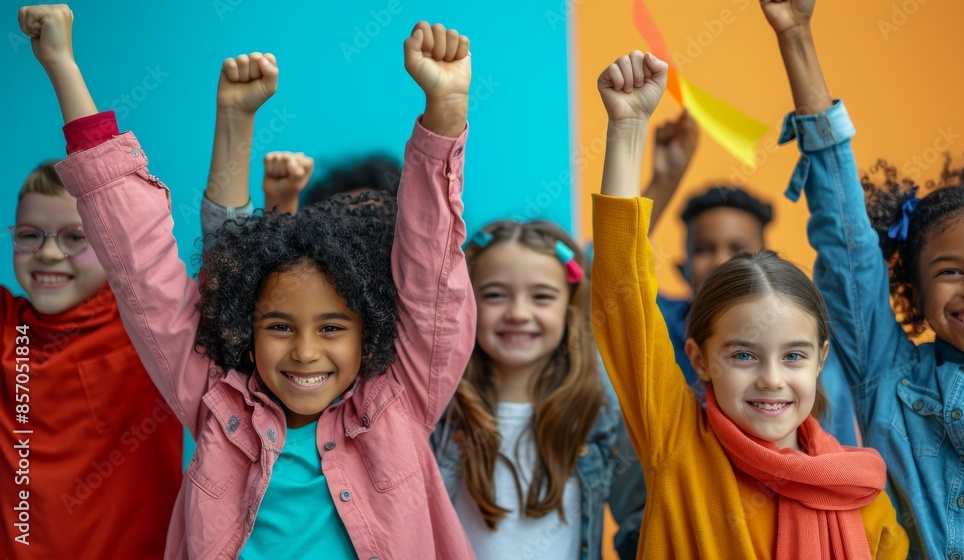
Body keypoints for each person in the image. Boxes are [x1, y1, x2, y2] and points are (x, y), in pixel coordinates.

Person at [44, 12, 479, 557]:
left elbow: (430, 272)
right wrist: (63, 67)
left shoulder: (400, 399)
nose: (304, 351)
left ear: (368, 329)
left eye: (331, 327)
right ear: (242, 326)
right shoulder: (214, 399)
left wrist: (445, 113)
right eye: (278, 325)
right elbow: (139, 264)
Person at [589, 42, 908, 557]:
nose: (771, 378)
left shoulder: (863, 495)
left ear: (821, 358)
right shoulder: (675, 442)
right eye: (742, 354)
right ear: (698, 358)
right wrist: (626, 129)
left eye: (794, 355)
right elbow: (621, 292)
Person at [773, 0, 964, 554]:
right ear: (915, 292)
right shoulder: (890, 379)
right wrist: (796, 35)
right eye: (951, 271)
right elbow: (847, 244)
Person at [2, 6, 182, 558]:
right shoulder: (9, 329)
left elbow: (115, 198)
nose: (48, 253)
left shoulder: (154, 332)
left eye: (75, 237)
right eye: (29, 235)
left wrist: (61, 64)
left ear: (108, 243)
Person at [431, 220, 618, 560]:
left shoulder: (597, 415)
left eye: (542, 296)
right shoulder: (441, 414)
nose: (518, 313)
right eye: (495, 295)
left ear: (570, 306)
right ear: (467, 301)